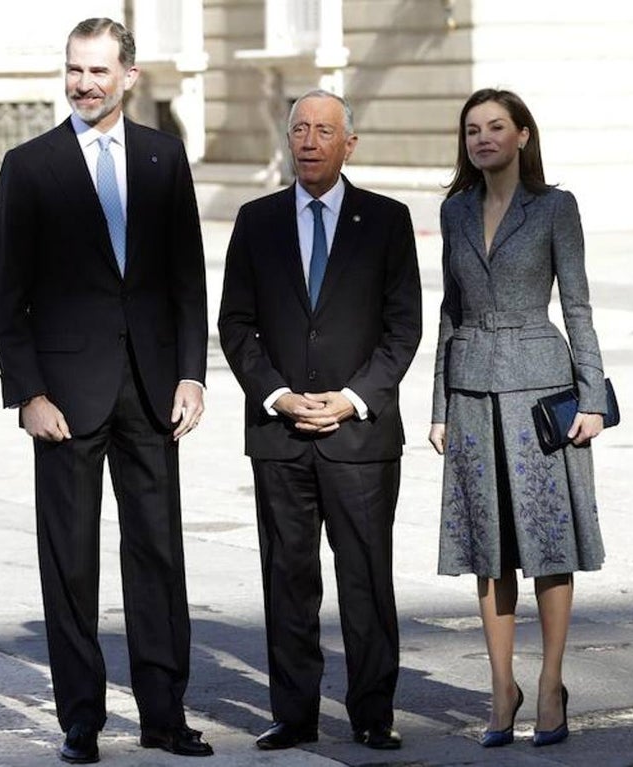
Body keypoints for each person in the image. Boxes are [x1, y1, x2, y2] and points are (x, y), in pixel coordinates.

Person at [0, 17, 212, 763]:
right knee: (70, 563)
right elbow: (6, 296)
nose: (83, 84)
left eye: (98, 71)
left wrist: (191, 373)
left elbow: (186, 278)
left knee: (158, 555)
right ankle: (80, 720)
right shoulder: (29, 166)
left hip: (152, 392)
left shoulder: (163, 157)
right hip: (64, 399)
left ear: (129, 77)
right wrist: (28, 394)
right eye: (74, 69)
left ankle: (164, 716)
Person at [217, 89, 422, 752]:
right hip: (279, 436)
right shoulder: (256, 220)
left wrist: (353, 397)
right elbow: (235, 324)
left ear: (349, 144)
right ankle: (293, 712)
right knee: (287, 579)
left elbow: (403, 328)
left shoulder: (386, 220)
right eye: (299, 129)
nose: (308, 141)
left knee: (366, 579)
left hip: (360, 436)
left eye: (323, 131)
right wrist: (276, 394)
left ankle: (372, 713)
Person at [428, 88, 608, 748]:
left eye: (496, 127)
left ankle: (551, 683)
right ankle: (502, 688)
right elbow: (449, 312)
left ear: (523, 135)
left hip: (541, 389)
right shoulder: (453, 210)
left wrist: (592, 398)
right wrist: (440, 406)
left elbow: (578, 305)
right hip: (472, 389)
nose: (482, 138)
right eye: (472, 129)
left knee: (548, 539)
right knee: (489, 546)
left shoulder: (556, 207)